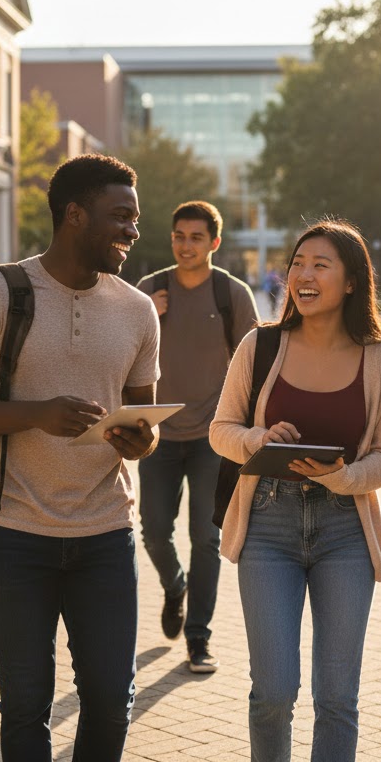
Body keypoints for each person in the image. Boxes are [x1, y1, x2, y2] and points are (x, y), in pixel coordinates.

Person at [0, 154, 160, 762]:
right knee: (26, 707)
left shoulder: (138, 310)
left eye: (135, 219)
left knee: (112, 700)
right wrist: (37, 413)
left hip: (108, 533)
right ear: (73, 215)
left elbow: (143, 415)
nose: (132, 231)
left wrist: (143, 441)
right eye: (121, 217)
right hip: (15, 533)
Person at [210, 218, 381, 761]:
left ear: (351, 282)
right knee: (273, 692)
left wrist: (341, 479)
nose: (304, 274)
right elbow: (220, 431)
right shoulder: (261, 345)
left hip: (346, 531)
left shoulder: (380, 358)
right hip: (268, 527)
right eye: (298, 263)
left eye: (321, 264)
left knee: (338, 697)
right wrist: (258, 438)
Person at [137, 201, 259, 673]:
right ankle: (174, 586)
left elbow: (253, 363)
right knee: (152, 531)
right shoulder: (150, 290)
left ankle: (199, 638)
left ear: (214, 243)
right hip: (157, 436)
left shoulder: (231, 293)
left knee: (206, 539)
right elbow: (120, 354)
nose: (185, 245)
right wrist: (147, 313)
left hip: (213, 437)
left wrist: (246, 430)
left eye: (195, 237)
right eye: (178, 236)